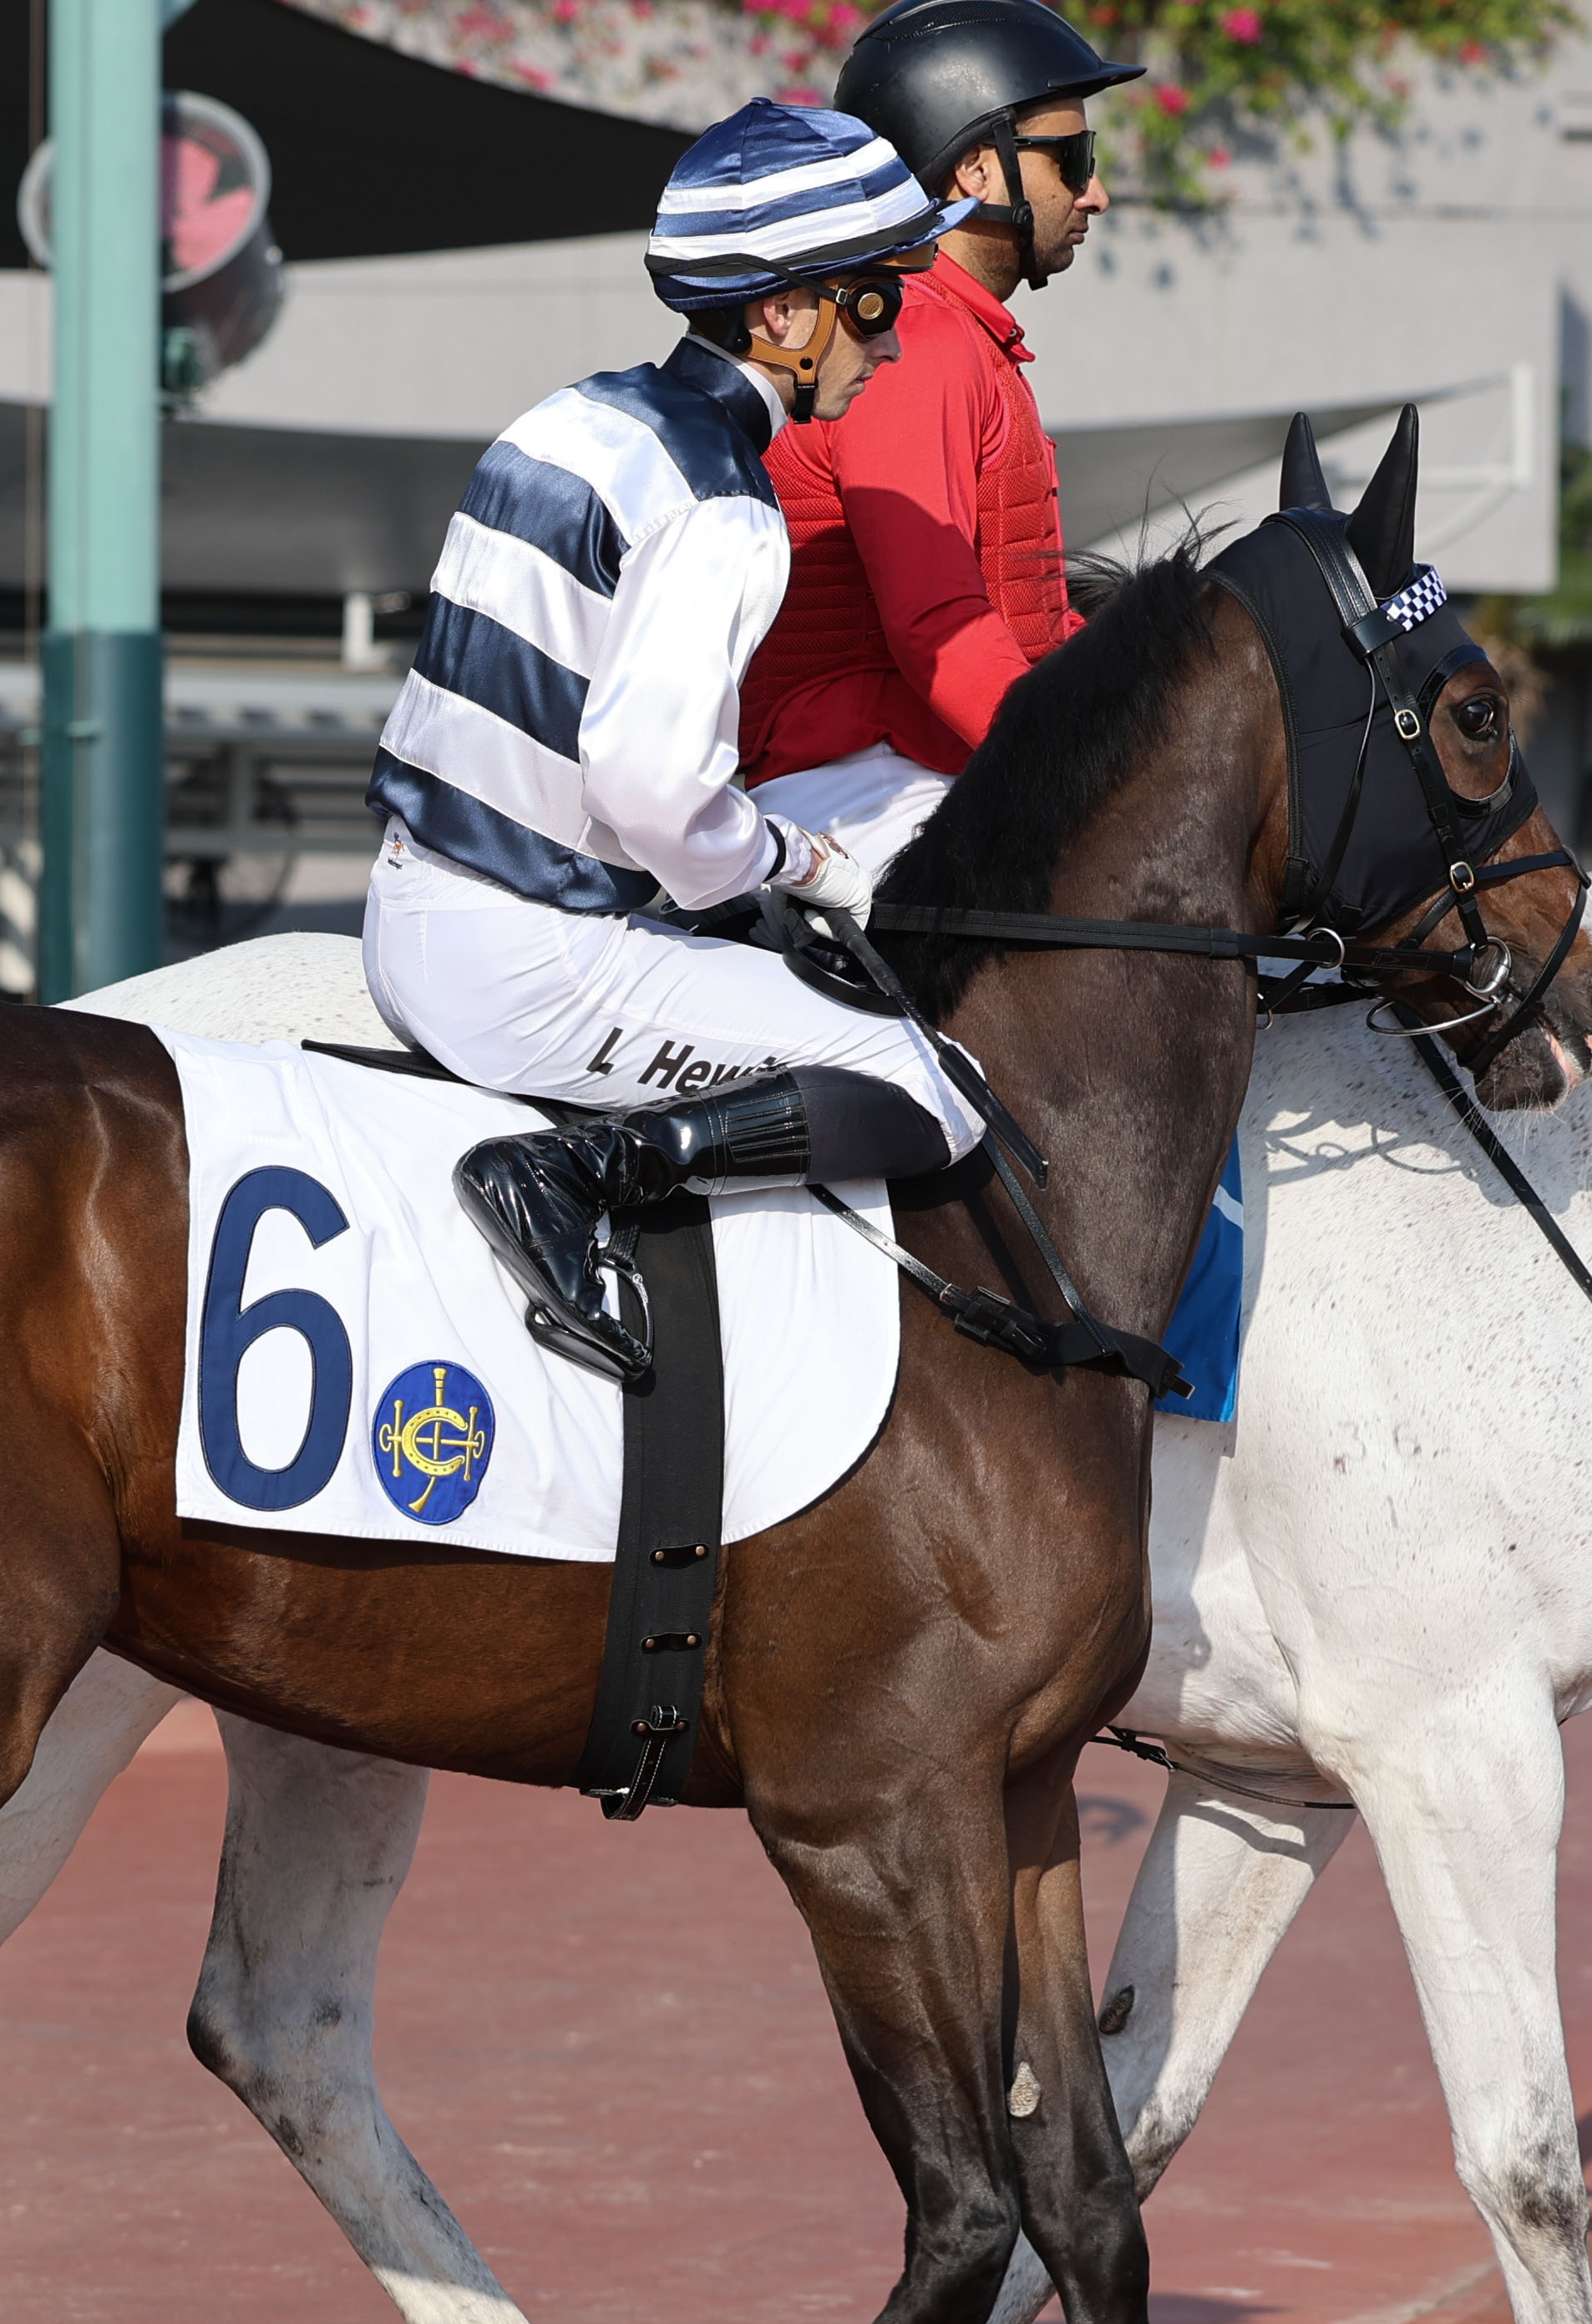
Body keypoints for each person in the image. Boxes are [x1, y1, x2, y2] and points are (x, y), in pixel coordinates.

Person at [363, 99, 988, 1387]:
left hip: (409, 898)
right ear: (783, 316)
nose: (890, 341)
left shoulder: (576, 413)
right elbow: (653, 794)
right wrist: (793, 862)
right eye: (875, 301)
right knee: (937, 1087)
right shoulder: (725, 506)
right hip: (522, 960)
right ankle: (576, 1173)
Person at [740, 0, 1143, 869]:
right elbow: (936, 624)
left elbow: (1025, 615)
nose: (1095, 193)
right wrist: (1082, 766)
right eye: (1073, 160)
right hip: (856, 787)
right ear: (976, 171)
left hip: (924, 764)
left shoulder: (952, 331)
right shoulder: (917, 338)